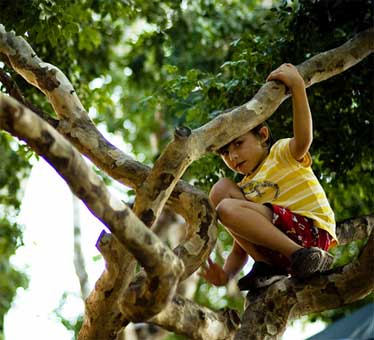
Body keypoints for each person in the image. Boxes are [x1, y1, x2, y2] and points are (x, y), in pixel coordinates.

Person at [200, 63, 337, 292]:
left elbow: (303, 139)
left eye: (238, 144)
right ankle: (269, 266)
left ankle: (304, 256)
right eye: (225, 152)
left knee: (224, 205)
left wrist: (297, 86)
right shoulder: (243, 192)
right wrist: (225, 276)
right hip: (284, 253)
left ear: (262, 135)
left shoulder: (280, 153)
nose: (232, 156)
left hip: (311, 235)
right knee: (220, 192)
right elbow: (239, 249)